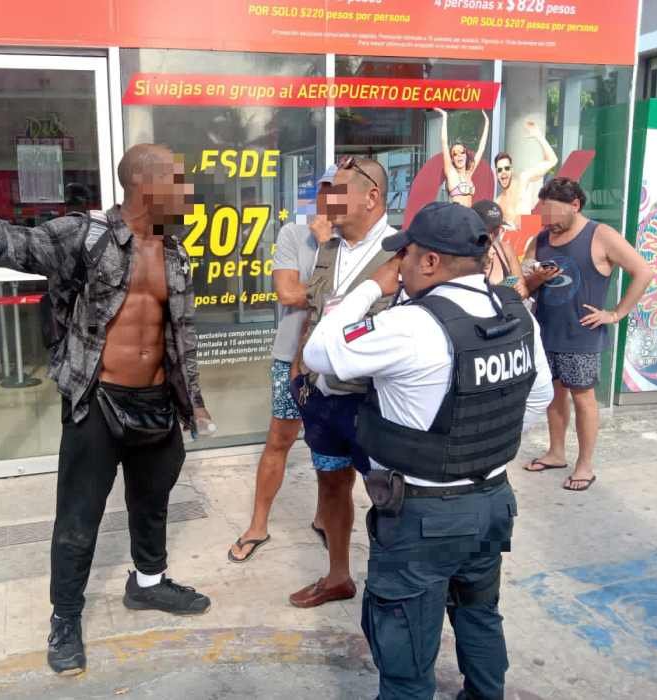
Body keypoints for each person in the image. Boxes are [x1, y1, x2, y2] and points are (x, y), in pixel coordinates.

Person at [0, 134, 213, 675]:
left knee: (152, 504)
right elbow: (6, 245)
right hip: (99, 402)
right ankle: (66, 616)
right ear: (143, 184)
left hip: (159, 405)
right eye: (177, 179)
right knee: (78, 519)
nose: (188, 190)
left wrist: (194, 405)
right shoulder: (84, 236)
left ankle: (148, 584)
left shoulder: (177, 250)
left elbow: (176, 336)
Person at [303, 201, 554, 699]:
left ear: (431, 262)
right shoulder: (513, 309)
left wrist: (375, 284)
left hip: (422, 518)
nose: (400, 264)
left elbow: (319, 351)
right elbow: (540, 395)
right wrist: (481, 449)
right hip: (492, 501)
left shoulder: (412, 326)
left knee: (405, 657)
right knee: (479, 616)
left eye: (406, 256)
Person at [288, 155, 397, 608]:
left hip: (374, 408)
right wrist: (299, 374)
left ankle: (393, 585)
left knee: (389, 497)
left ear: (371, 196)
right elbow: (314, 313)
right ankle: (337, 577)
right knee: (331, 483)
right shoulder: (328, 250)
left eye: (338, 189)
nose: (328, 197)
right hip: (324, 401)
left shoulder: (401, 253)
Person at [227, 166, 336, 563]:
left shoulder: (357, 242)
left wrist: (327, 272)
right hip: (290, 355)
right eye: (325, 190)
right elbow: (288, 293)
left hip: (340, 362)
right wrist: (330, 286)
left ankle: (325, 518)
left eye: (339, 191)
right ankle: (258, 524)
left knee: (332, 448)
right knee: (279, 441)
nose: (331, 199)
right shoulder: (294, 234)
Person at [524, 177, 653, 491]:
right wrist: (536, 279)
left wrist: (616, 313)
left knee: (583, 399)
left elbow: (644, 271)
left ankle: (585, 464)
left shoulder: (601, 235)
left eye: (555, 216)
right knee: (554, 396)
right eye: (546, 216)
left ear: (575, 205)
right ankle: (556, 453)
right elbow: (524, 283)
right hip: (546, 331)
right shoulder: (541, 238)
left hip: (581, 334)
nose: (549, 223)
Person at [494, 120, 558, 229]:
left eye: (506, 168)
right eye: (500, 170)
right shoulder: (497, 201)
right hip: (512, 242)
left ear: (511, 170)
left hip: (529, 237)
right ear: (497, 173)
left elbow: (553, 160)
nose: (503, 172)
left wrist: (538, 136)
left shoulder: (524, 179)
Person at [471, 199, 526, 296]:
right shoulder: (464, 254)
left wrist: (520, 290)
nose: (491, 236)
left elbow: (521, 286)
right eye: (487, 230)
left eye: (496, 231)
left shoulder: (505, 249)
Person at [435, 108, 489, 207]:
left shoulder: (469, 173)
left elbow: (481, 148)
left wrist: (487, 123)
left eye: (462, 152)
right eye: (455, 154)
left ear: (466, 155)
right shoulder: (451, 173)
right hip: (456, 219)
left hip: (470, 218)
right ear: (452, 159)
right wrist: (444, 117)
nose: (459, 156)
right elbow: (444, 143)